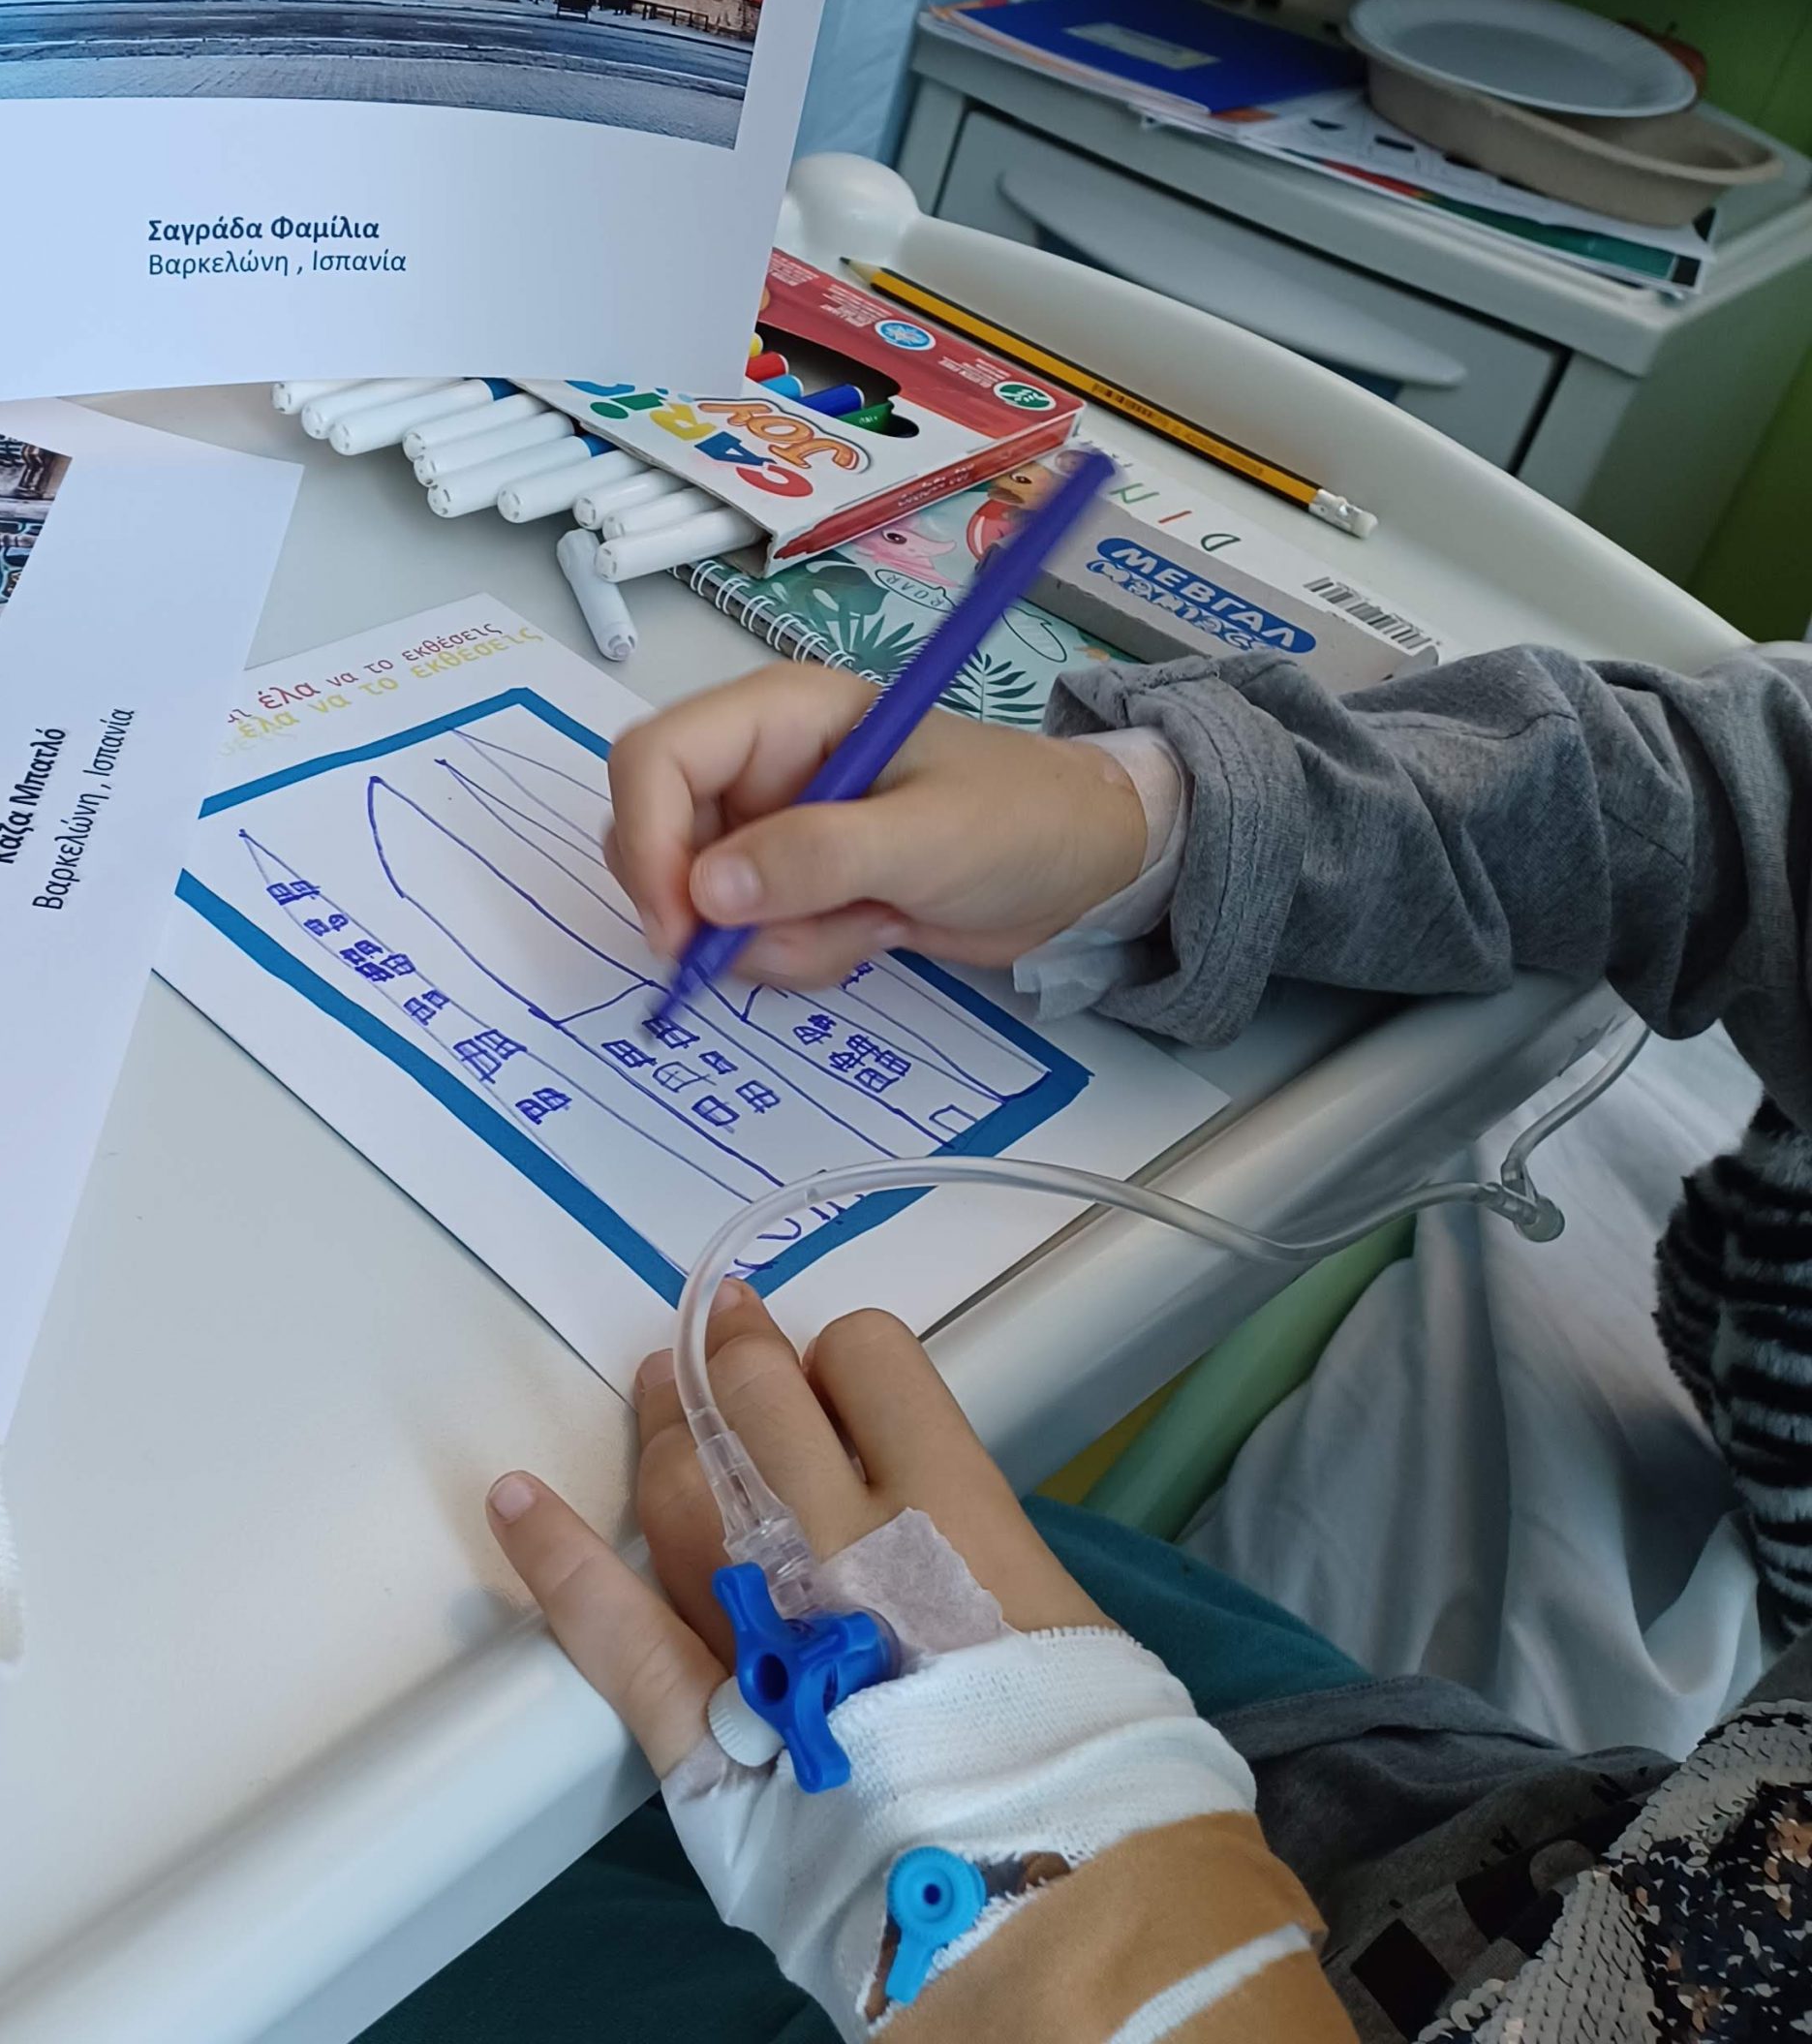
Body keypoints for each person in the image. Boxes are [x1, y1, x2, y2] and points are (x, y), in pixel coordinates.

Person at [381, 645, 1812, 2042]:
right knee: (674, 1527)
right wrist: (1152, 823)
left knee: (379, 1865)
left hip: (1044, 1955)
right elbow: (1743, 800)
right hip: (1433, 1837)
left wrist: (1108, 1968)